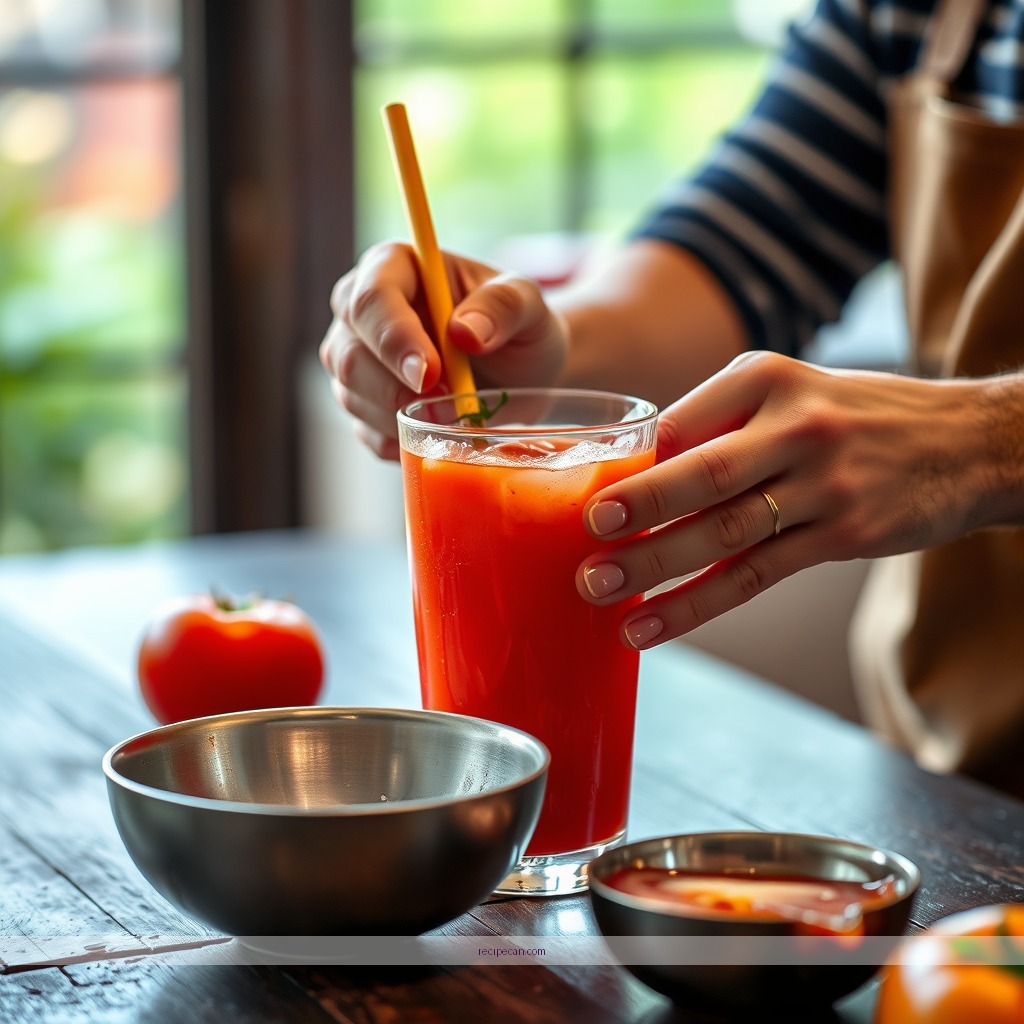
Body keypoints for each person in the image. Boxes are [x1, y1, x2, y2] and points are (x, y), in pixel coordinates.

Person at [320, 0, 1024, 794]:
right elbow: (734, 249)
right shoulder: (915, 14)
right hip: (949, 781)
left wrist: (985, 443)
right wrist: (529, 357)